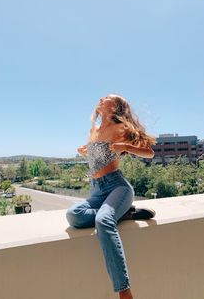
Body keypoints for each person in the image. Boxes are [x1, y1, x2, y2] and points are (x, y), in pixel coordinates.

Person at [66, 94, 156, 299]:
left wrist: (125, 147)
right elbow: (98, 159)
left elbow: (149, 152)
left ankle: (124, 290)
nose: (101, 98)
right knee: (74, 215)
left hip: (117, 187)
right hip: (97, 190)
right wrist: (85, 153)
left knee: (103, 220)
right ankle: (122, 213)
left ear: (115, 107)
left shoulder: (121, 129)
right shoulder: (94, 130)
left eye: (107, 97)